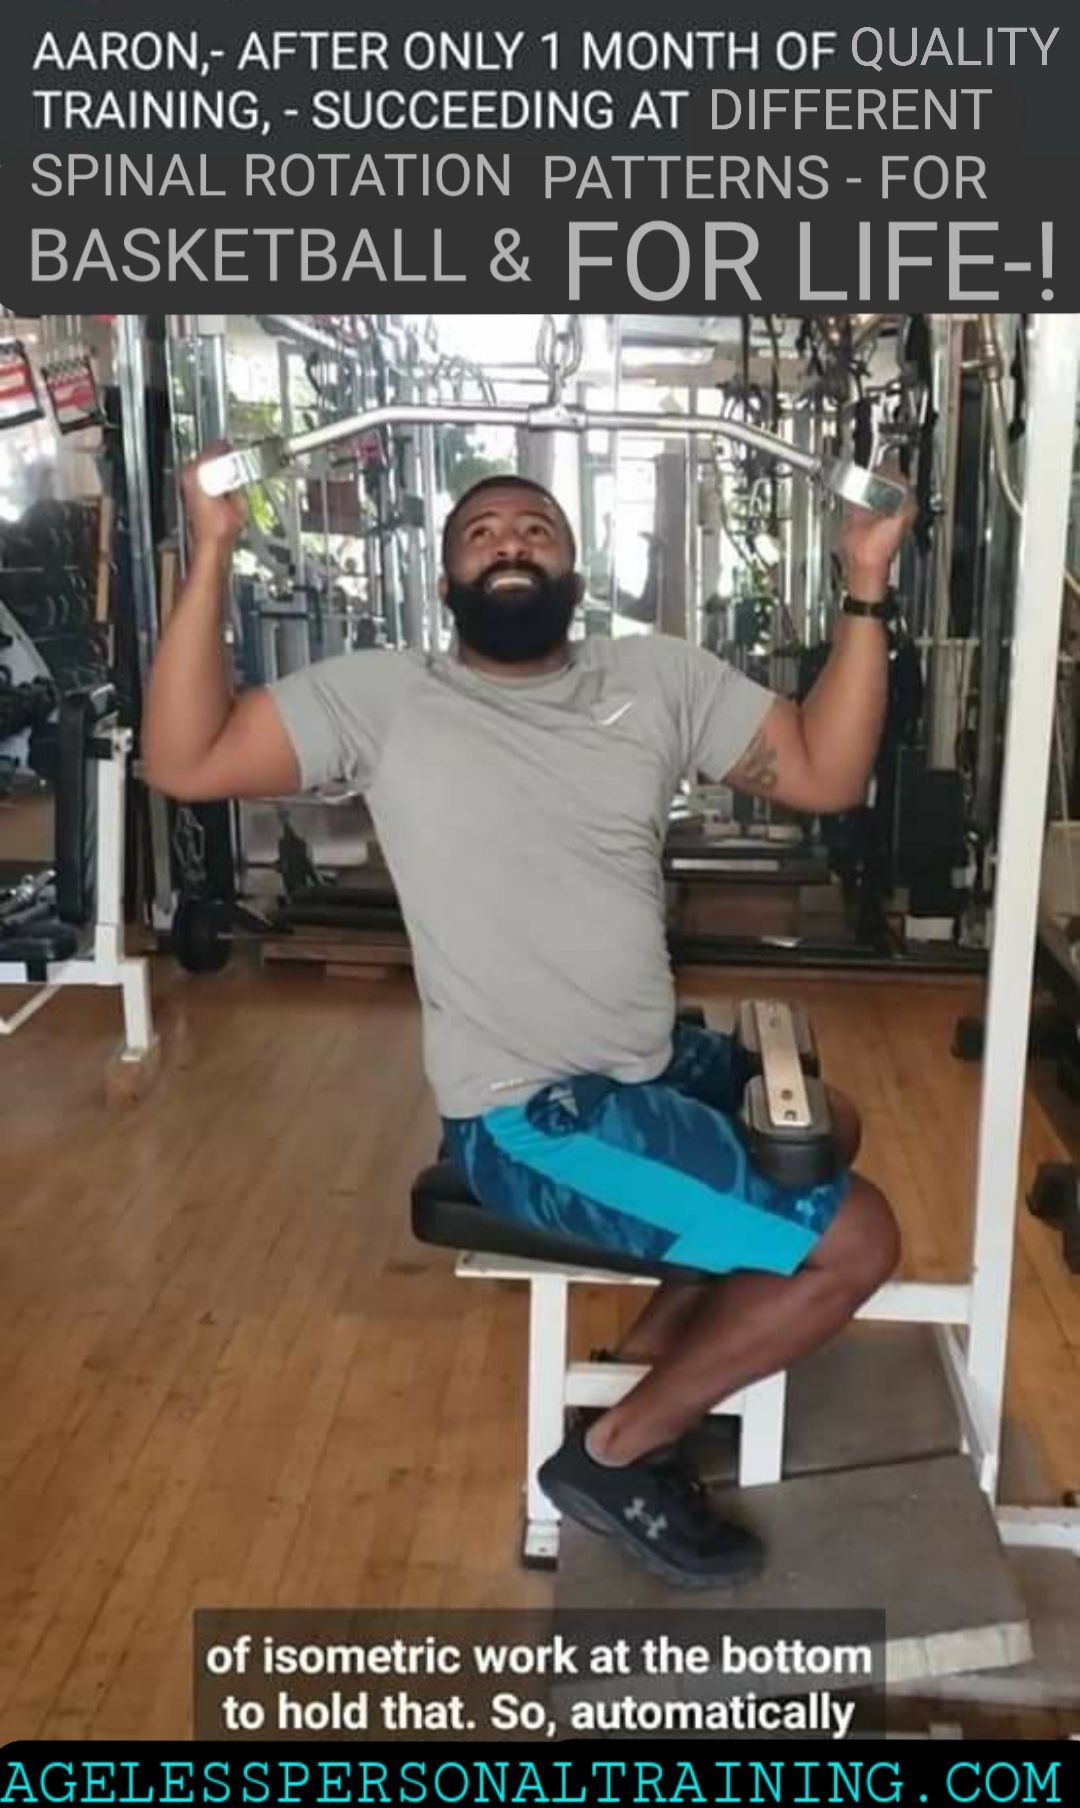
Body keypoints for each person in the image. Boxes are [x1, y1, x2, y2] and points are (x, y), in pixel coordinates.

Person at [144, 451, 916, 1589]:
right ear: (445, 582)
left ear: (574, 570)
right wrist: (211, 548)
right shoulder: (383, 698)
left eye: (534, 527)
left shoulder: (655, 676)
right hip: (533, 1116)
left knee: (825, 1124)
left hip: (640, 1062)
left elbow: (826, 774)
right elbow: (184, 757)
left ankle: (649, 1365)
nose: (509, 539)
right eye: (482, 532)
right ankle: (614, 1456)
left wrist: (865, 580)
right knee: (859, 1239)